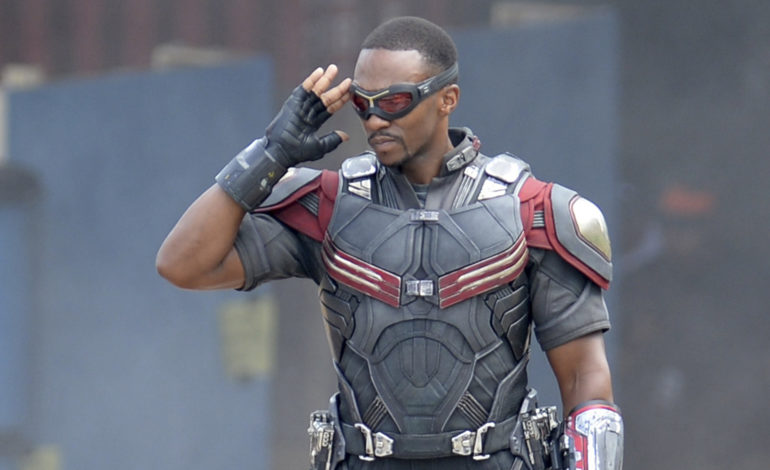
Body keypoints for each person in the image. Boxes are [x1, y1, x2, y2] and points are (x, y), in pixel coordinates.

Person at [156, 16, 623, 470]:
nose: (375, 119)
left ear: (447, 99)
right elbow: (183, 263)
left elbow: (585, 382)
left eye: (395, 101)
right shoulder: (328, 206)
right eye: (363, 103)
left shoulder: (534, 212)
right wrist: (270, 154)